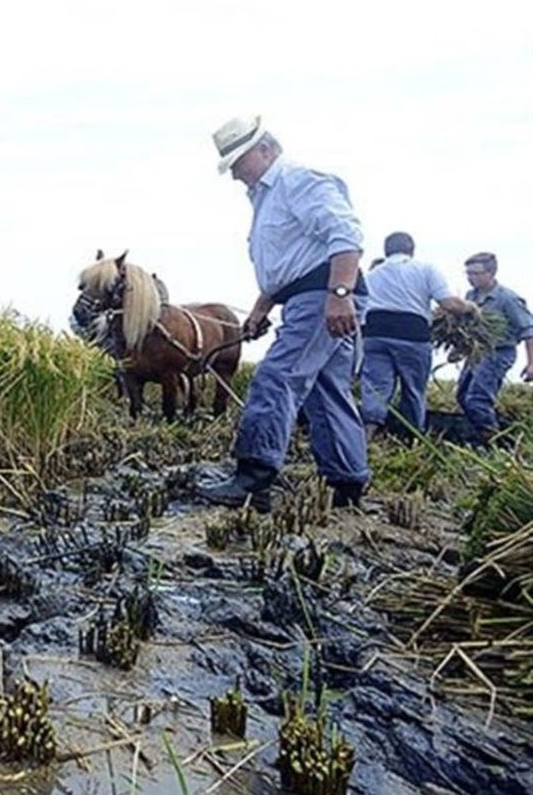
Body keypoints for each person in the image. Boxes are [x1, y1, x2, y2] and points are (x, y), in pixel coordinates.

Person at [198, 117, 369, 511]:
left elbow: (345, 235)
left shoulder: (298, 180)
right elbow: (285, 264)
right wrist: (261, 307)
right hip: (307, 296)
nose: (235, 174)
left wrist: (339, 294)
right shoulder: (265, 196)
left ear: (265, 149)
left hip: (322, 296)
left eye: (239, 162)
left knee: (276, 378)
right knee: (326, 390)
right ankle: (347, 481)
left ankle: (254, 479)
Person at [360, 232, 476, 436]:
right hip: (411, 335)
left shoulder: (371, 275)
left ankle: (367, 435)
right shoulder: (425, 269)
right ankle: (413, 436)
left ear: (386, 251)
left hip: (374, 334)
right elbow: (449, 304)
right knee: (413, 388)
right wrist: (470, 308)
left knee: (376, 387)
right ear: (411, 250)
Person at [456, 252, 533, 443]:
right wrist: (458, 350)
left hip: (498, 352)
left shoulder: (507, 299)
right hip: (476, 353)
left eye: (475, 273)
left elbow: (529, 330)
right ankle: (483, 433)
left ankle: (493, 442)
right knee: (462, 396)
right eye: (468, 273)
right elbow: (468, 329)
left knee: (477, 399)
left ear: (491, 273)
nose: (470, 278)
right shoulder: (470, 297)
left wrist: (532, 363)